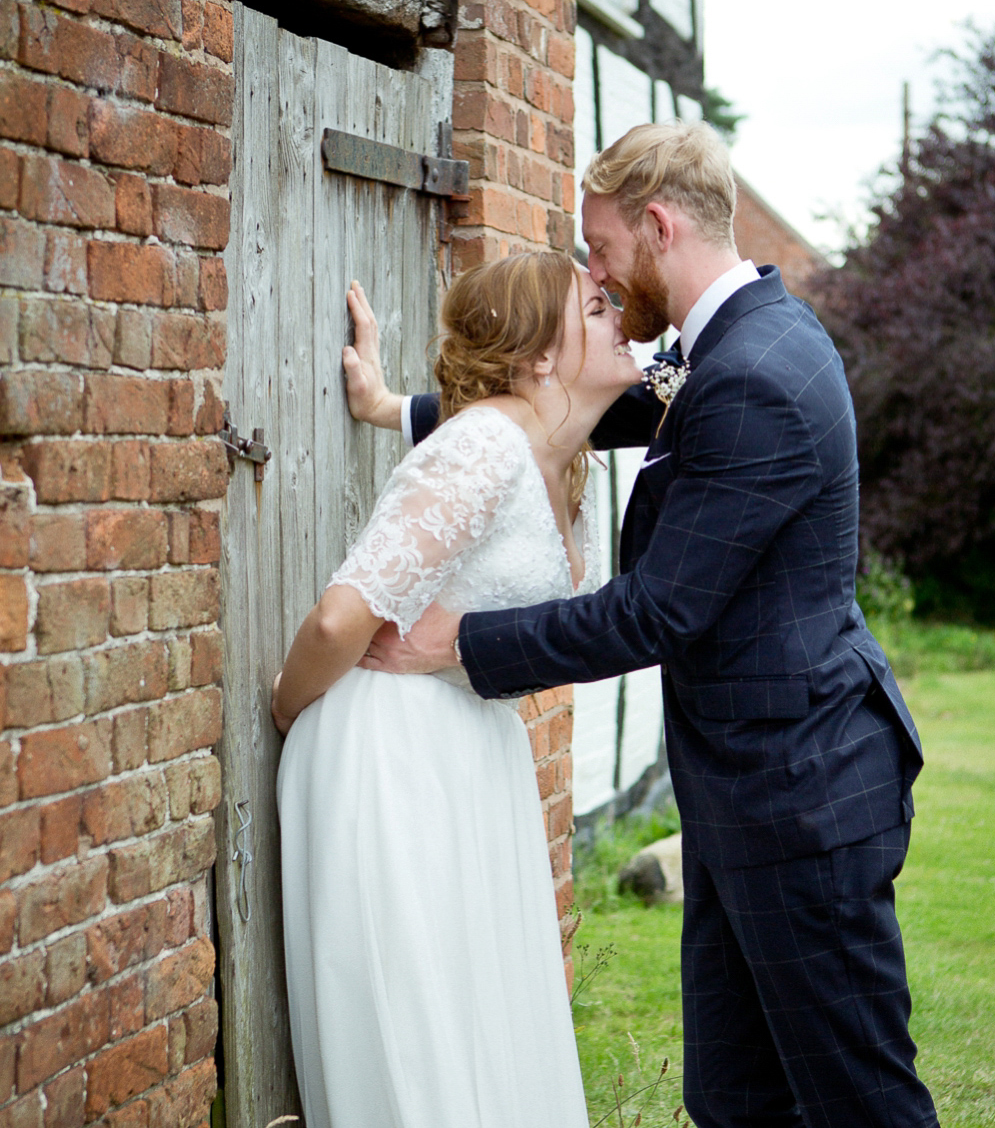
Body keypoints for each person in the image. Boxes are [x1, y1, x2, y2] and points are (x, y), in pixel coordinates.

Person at [359, 122, 941, 1128]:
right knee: (734, 1097)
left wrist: (457, 643)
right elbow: (595, 408)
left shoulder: (751, 373)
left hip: (799, 796)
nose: (596, 271)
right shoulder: (731, 343)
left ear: (659, 224)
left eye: (602, 248)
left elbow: (658, 609)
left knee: (859, 1099)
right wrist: (396, 409)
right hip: (744, 787)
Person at [270, 251, 642, 1128]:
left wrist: (383, 405)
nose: (621, 314)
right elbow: (339, 619)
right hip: (393, 755)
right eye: (597, 306)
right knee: (419, 1026)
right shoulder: (482, 444)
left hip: (475, 755)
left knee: (482, 1015)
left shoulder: (564, 466)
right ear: (541, 355)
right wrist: (289, 710)